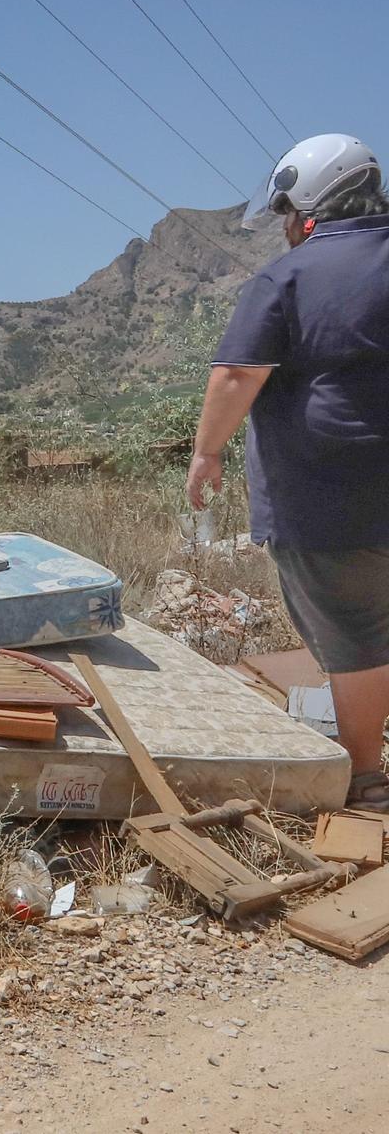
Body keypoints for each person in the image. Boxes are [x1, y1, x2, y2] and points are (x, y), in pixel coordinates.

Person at [190, 132, 389, 810]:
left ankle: (365, 777)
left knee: (357, 635)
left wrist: (206, 451)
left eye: (285, 214)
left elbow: (237, 375)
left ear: (310, 206)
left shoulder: (287, 278)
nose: (283, 228)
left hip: (329, 502)